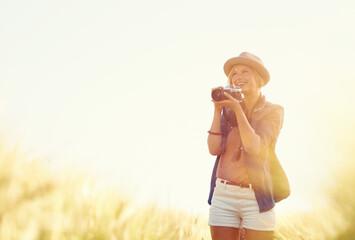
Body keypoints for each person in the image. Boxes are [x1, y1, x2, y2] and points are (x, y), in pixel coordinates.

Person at [207, 52, 284, 240]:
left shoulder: (273, 111)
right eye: (234, 73)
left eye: (244, 71)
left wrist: (238, 111)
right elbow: (213, 149)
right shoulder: (227, 109)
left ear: (258, 79)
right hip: (224, 194)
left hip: (257, 197)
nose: (238, 77)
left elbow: (256, 148)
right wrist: (218, 111)